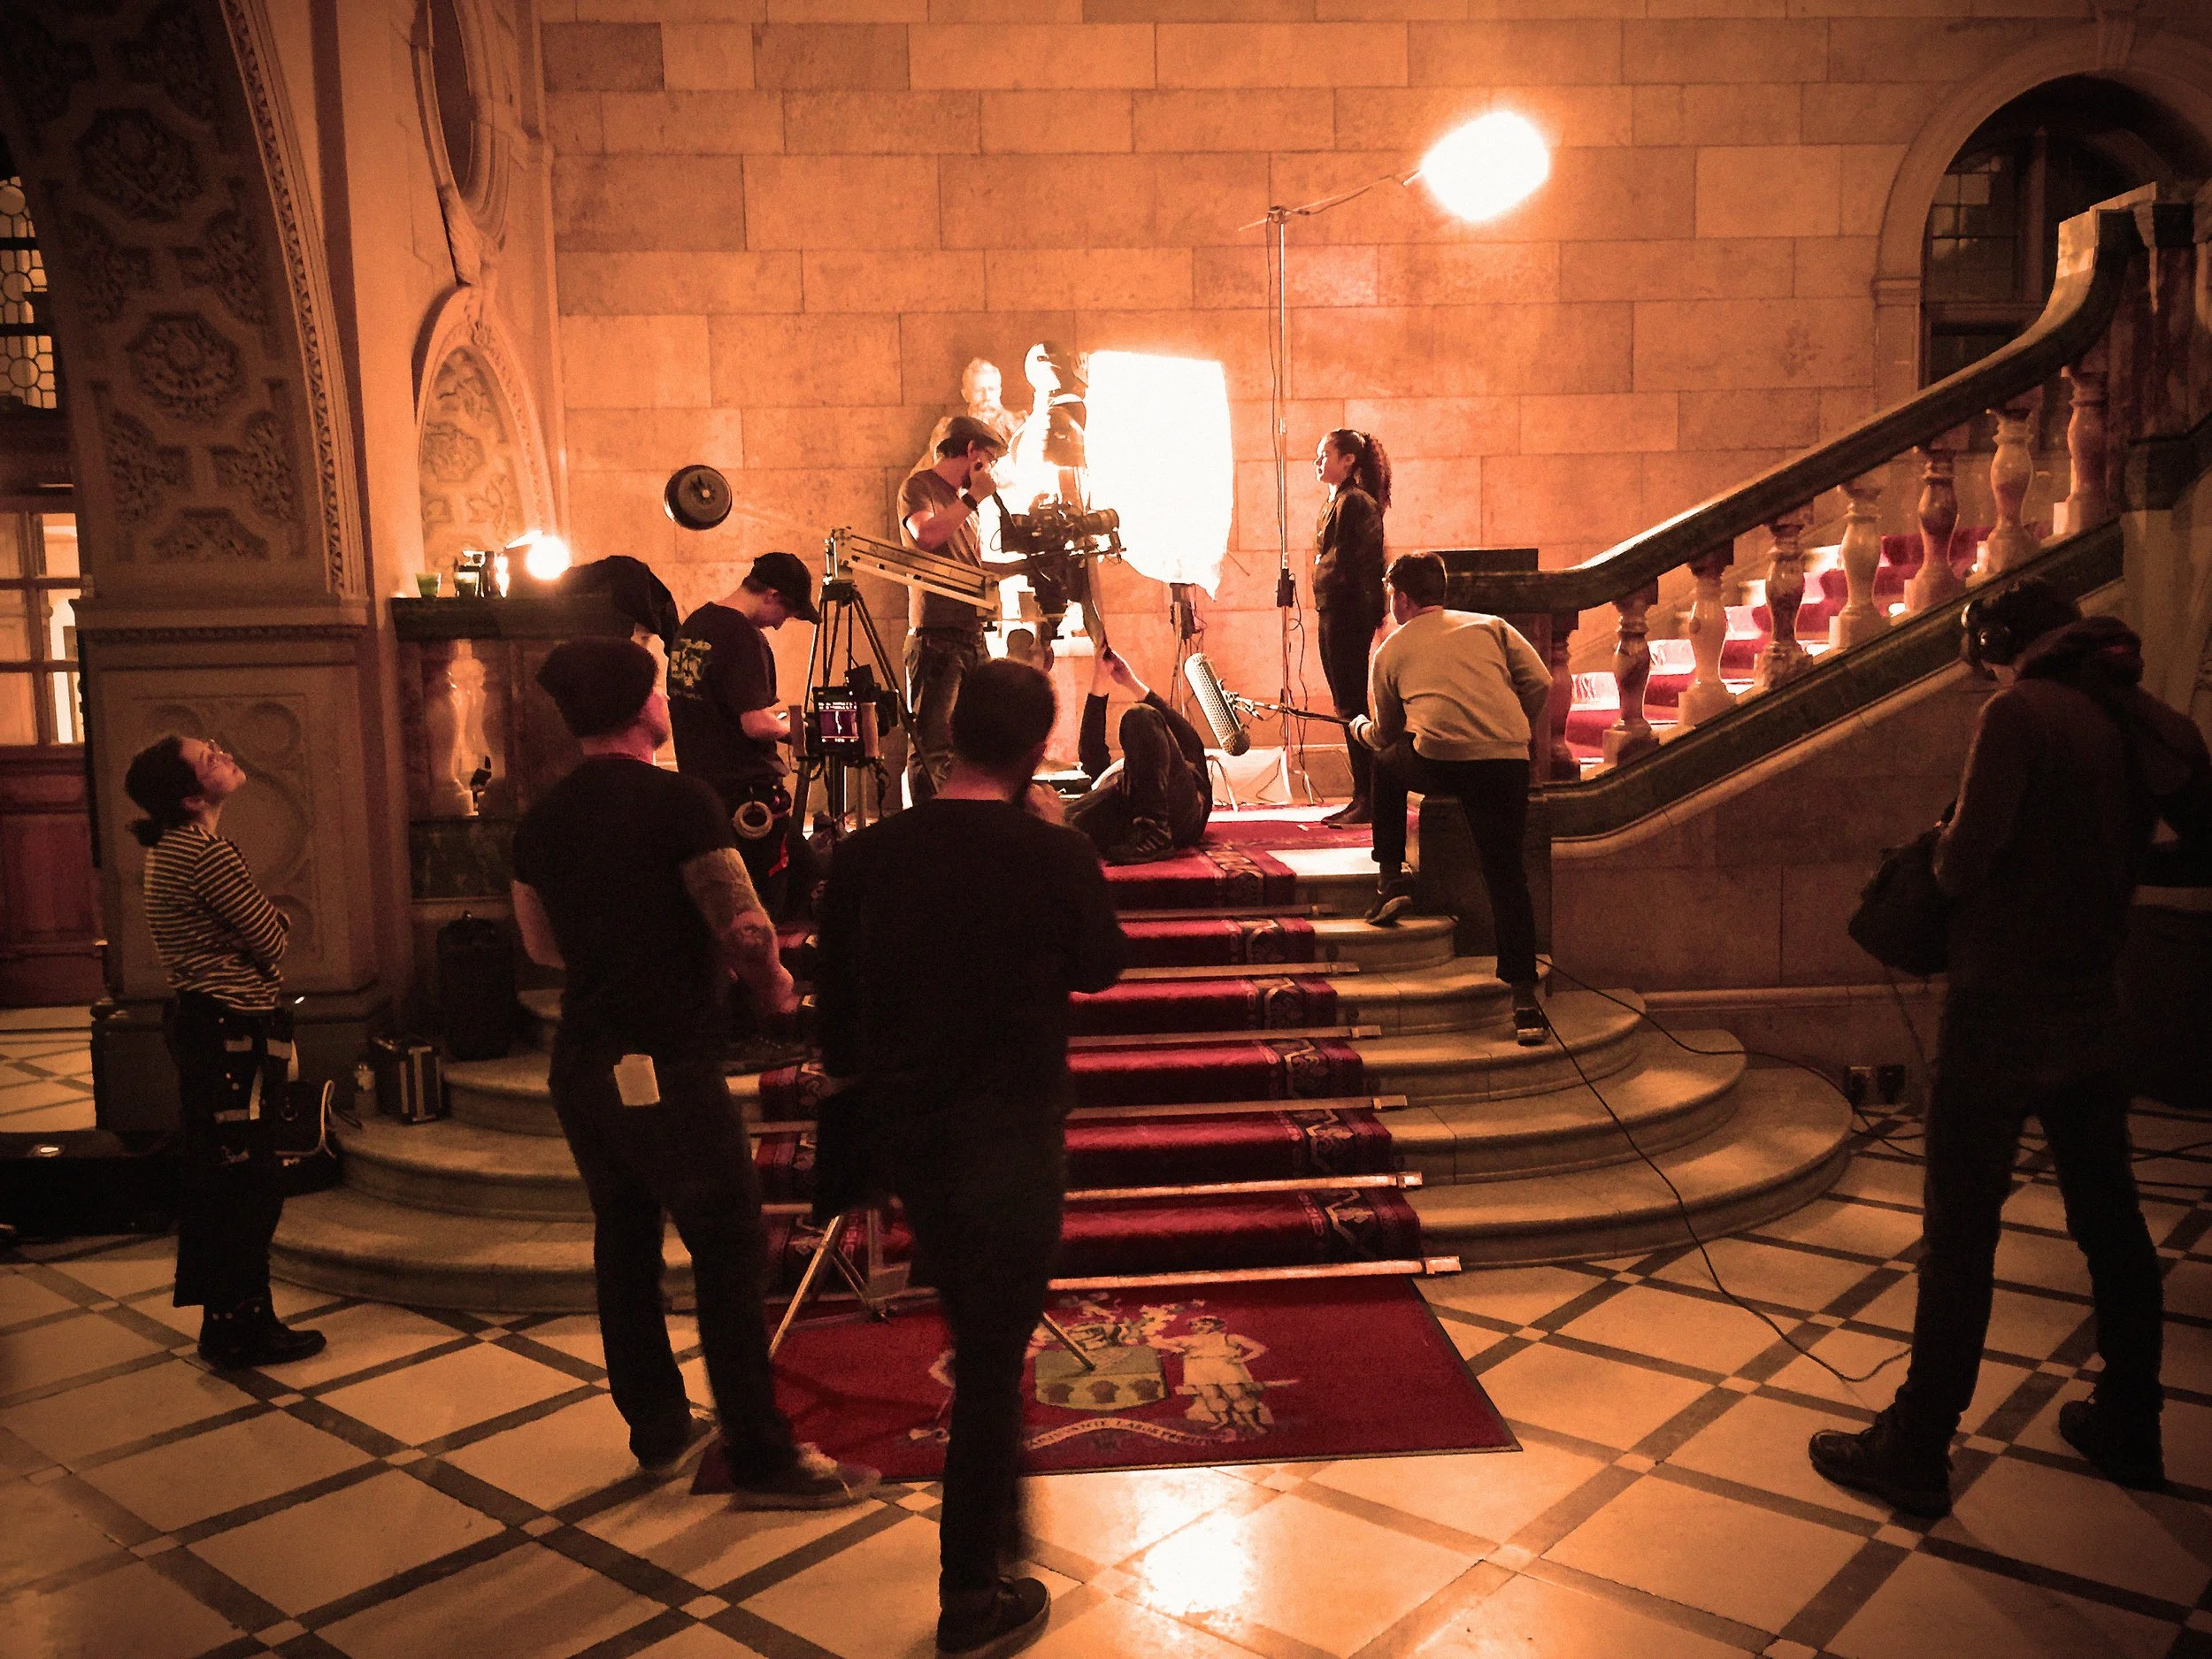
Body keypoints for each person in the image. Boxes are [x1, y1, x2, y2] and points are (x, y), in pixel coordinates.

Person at [1809, 581, 2212, 1517]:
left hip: (1999, 1013)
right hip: (2095, 1008)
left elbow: (1964, 860)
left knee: (1961, 1231)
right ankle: (2129, 1418)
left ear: (2000, 643)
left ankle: (1915, 1444)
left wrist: (1943, 842)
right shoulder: (2140, 717)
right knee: (2109, 1221)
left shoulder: (2016, 711)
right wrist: (2114, 863)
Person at [510, 637, 877, 1507]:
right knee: (725, 1249)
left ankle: (658, 1428)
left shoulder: (541, 818)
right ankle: (759, 1455)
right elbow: (744, 927)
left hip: (584, 1064)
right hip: (666, 1061)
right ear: (646, 709)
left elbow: (539, 944)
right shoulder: (681, 801)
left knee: (624, 1239)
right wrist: (775, 987)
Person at [814, 658, 1125, 1656]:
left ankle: (1002, 1527)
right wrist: (1063, 846)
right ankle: (970, 1601)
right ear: (1037, 745)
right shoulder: (1051, 854)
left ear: (949, 730)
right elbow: (1101, 969)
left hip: (912, 1133)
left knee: (978, 1329)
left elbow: (839, 1007)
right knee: (991, 1362)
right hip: (1013, 1134)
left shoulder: (868, 858)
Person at [126, 735, 326, 1371]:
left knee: (226, 1178)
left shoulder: (173, 847)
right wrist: (270, 932)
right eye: (207, 756)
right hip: (228, 1029)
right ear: (190, 795)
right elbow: (271, 936)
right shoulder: (202, 853)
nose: (224, 753)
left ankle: (233, 1319)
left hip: (209, 1025)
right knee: (249, 1181)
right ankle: (244, 1325)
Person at [1351, 552, 1552, 1046]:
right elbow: (1541, 681)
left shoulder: (1390, 651)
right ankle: (1524, 1002)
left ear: (1400, 598)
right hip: (1506, 761)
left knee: (1387, 762)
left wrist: (1359, 730)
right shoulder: (1491, 626)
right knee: (1507, 874)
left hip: (1440, 762)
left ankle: (1390, 876)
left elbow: (1389, 733)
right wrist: (1504, 728)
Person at [667, 550, 820, 921]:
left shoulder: (694, 626)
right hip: (748, 800)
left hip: (704, 793)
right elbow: (756, 725)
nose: (782, 624)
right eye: (786, 612)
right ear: (770, 593)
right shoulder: (743, 636)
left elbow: (716, 707)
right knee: (765, 911)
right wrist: (801, 732)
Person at [900, 414, 1009, 807]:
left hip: (971, 634)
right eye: (989, 460)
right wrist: (972, 497)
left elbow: (973, 567)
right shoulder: (919, 486)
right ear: (971, 452)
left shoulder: (966, 506)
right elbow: (926, 534)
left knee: (981, 737)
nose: (991, 470)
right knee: (932, 746)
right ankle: (930, 834)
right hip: (936, 637)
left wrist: (1029, 566)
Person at [1065, 645, 1212, 864]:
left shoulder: (1173, 763)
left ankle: (1154, 832)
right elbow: (1091, 753)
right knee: (1055, 822)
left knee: (1140, 716)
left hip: (1178, 813)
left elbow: (1190, 741)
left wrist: (1131, 683)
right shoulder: (1104, 784)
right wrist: (1100, 679)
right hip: (1122, 818)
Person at [1313, 429, 1392, 826]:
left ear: (1348, 461)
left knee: (1352, 706)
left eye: (1325, 454)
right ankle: (1363, 795)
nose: (1318, 461)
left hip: (1347, 615)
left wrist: (1369, 614)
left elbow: (1355, 565)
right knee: (1345, 705)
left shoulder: (1356, 504)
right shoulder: (1338, 502)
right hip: (1334, 612)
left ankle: (1370, 797)